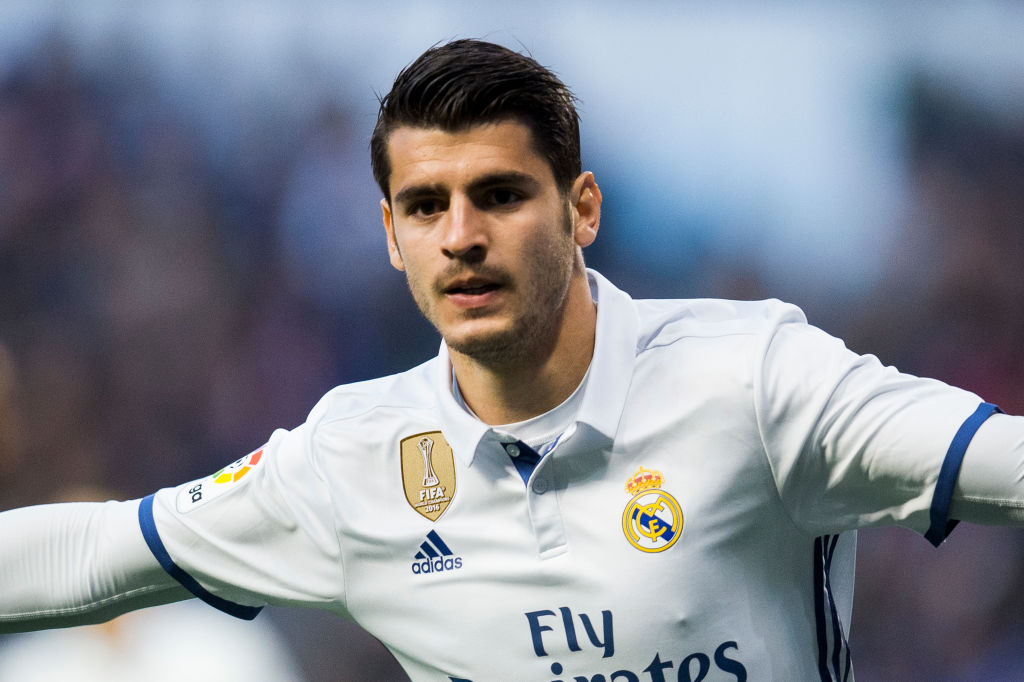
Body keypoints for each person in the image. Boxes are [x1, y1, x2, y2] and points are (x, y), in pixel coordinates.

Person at [2, 38, 1024, 681]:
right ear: (390, 236)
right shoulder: (352, 457)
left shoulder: (756, 380)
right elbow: (95, 552)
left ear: (582, 208)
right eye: (424, 206)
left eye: (499, 195)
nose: (461, 237)